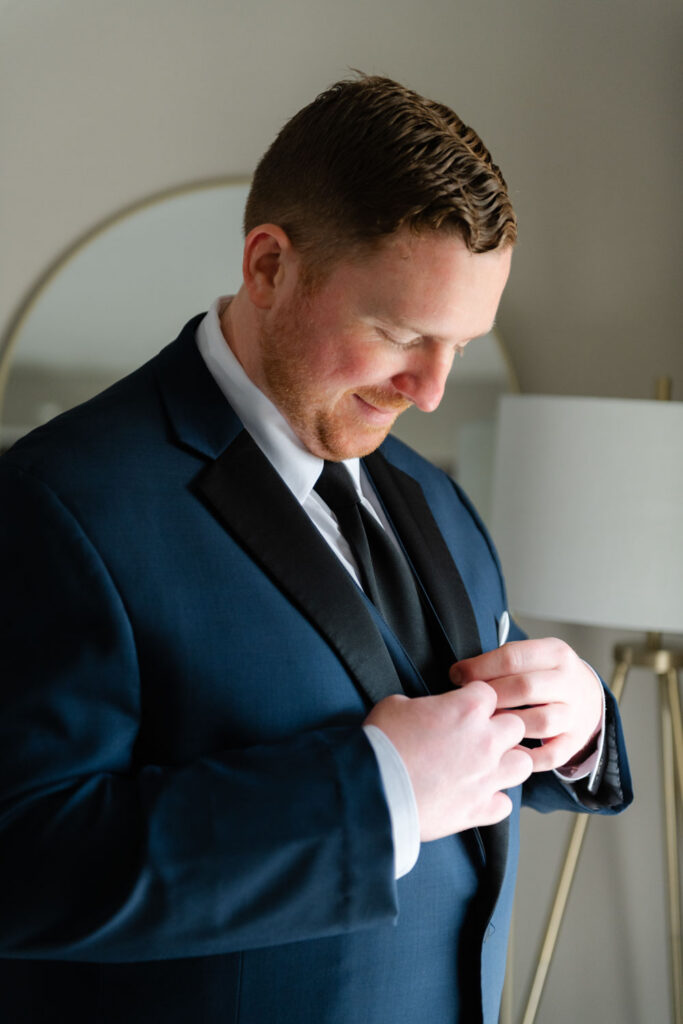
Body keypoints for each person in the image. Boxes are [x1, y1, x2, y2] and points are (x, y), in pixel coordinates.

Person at [0, 74, 631, 1024]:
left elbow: (463, 759)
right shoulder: (56, 501)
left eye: (460, 344)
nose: (429, 391)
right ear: (267, 266)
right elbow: (25, 860)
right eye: (398, 333)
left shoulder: (430, 490)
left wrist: (574, 729)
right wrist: (372, 795)